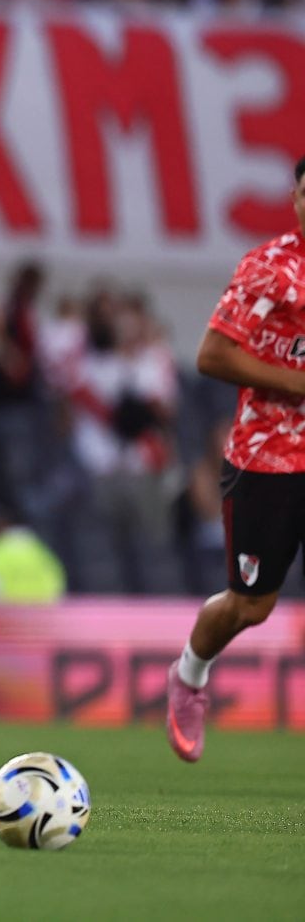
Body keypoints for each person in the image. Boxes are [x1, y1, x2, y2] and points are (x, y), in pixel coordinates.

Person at [165, 156, 305, 763]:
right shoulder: (271, 269)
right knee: (252, 604)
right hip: (268, 454)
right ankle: (190, 674)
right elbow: (213, 356)